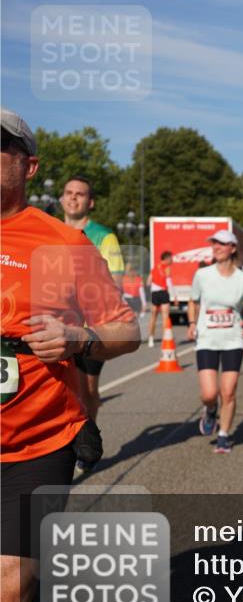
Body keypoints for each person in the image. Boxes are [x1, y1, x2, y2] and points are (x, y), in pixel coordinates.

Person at [1, 107, 140, 602]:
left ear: (29, 167)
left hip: (37, 442)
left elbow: (126, 330)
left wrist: (76, 338)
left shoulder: (62, 243)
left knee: (8, 586)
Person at [59, 175, 125, 422]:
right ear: (62, 198)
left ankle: (88, 448)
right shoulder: (47, 231)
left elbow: (114, 286)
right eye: (69, 192)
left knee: (87, 396)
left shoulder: (104, 237)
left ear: (91, 202)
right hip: (54, 327)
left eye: (80, 194)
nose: (73, 197)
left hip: (90, 331)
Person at [186, 231, 243, 454]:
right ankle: (210, 410)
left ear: (233, 248)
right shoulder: (203, 275)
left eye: (221, 244)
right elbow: (193, 300)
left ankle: (224, 435)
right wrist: (191, 322)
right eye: (213, 243)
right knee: (209, 393)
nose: (216, 247)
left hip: (233, 341)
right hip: (207, 339)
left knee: (228, 391)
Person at [148, 250, 178, 347]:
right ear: (167, 259)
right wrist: (175, 296)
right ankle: (165, 339)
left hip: (154, 293)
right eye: (171, 258)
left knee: (153, 317)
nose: (172, 260)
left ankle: (151, 339)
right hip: (163, 293)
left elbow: (148, 281)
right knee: (165, 317)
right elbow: (169, 282)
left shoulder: (154, 268)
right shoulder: (167, 268)